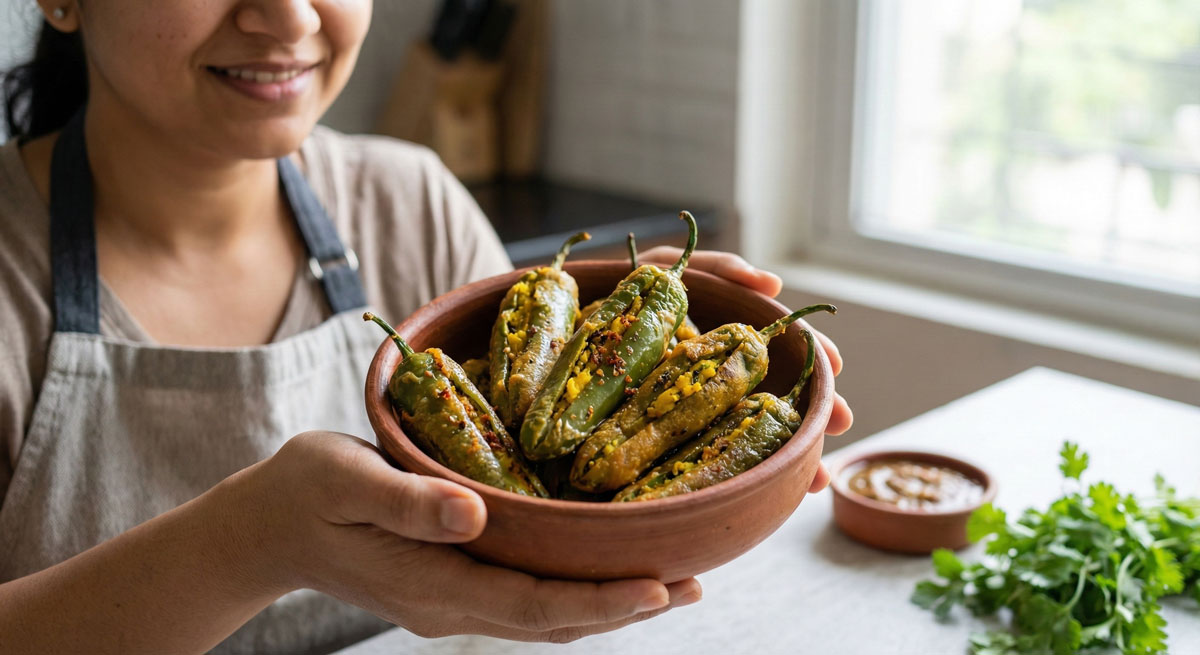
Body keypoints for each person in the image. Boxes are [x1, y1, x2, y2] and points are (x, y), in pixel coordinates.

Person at [0, 2, 854, 653]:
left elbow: (548, 486)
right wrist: (253, 542)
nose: (292, 16)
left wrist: (644, 340)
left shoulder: (413, 204)